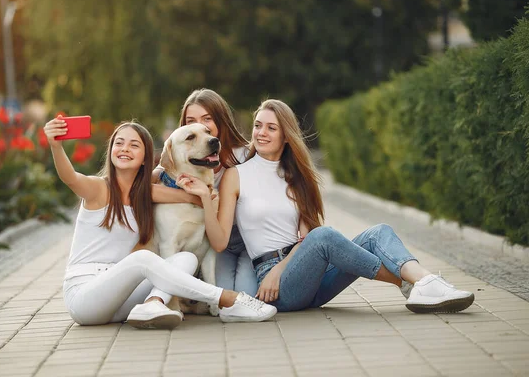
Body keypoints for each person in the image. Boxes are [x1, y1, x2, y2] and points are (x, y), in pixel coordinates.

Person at [177, 99, 475, 313]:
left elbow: (306, 238)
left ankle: (424, 282)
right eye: (258, 126)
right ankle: (413, 284)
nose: (261, 133)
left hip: (302, 274)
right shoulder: (236, 175)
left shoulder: (297, 177)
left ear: (285, 136)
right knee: (325, 236)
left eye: (271, 128)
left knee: (378, 232)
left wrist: (282, 267)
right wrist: (205, 198)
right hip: (276, 288)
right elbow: (218, 242)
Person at [44, 116, 277, 329]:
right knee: (145, 259)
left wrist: (206, 193)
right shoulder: (98, 188)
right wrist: (55, 146)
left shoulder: (145, 194)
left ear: (146, 159)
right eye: (119, 143)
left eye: (134, 145)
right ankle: (227, 298)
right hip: (85, 297)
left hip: (122, 300)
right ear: (111, 150)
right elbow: (70, 178)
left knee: (185, 259)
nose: (125, 148)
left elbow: (187, 197)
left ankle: (152, 304)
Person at [152, 89, 258, 297]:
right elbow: (143, 188)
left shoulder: (245, 157)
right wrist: (192, 197)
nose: (203, 129)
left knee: (246, 294)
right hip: (219, 243)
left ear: (220, 122)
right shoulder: (174, 165)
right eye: (191, 121)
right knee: (228, 296)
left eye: (207, 120)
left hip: (247, 240)